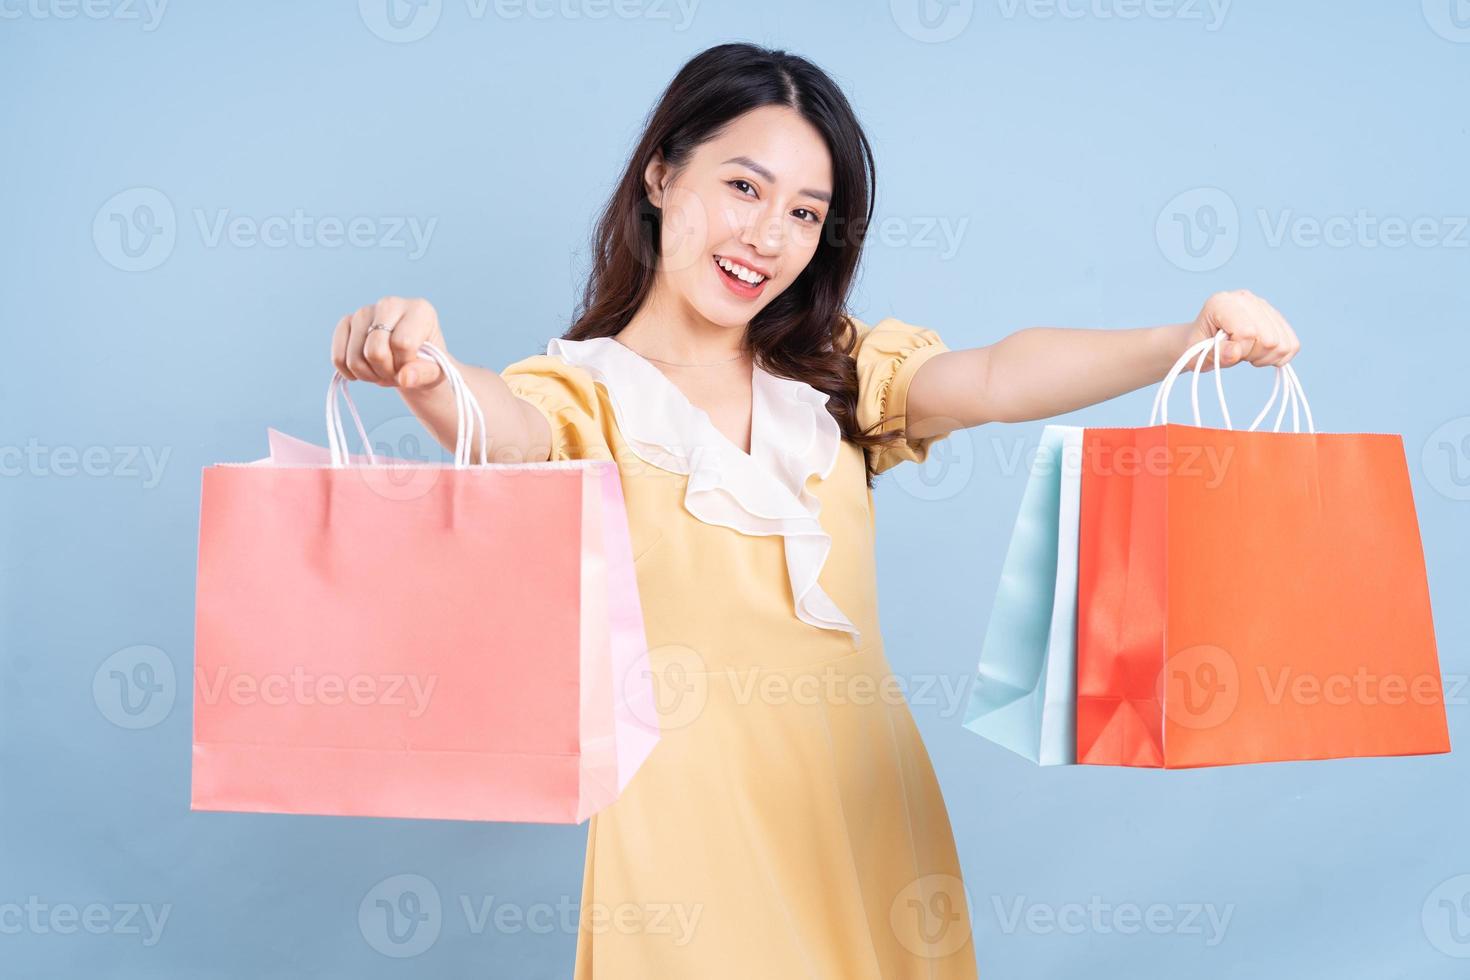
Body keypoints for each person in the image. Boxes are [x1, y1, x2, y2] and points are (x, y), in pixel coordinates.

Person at [328, 42, 1299, 980]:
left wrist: (1186, 338)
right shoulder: (588, 393)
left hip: (868, 805)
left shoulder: (835, 370)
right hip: (694, 832)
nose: (766, 236)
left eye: (804, 211)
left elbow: (1000, 374)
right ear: (662, 177)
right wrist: (427, 374)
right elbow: (504, 429)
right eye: (743, 187)